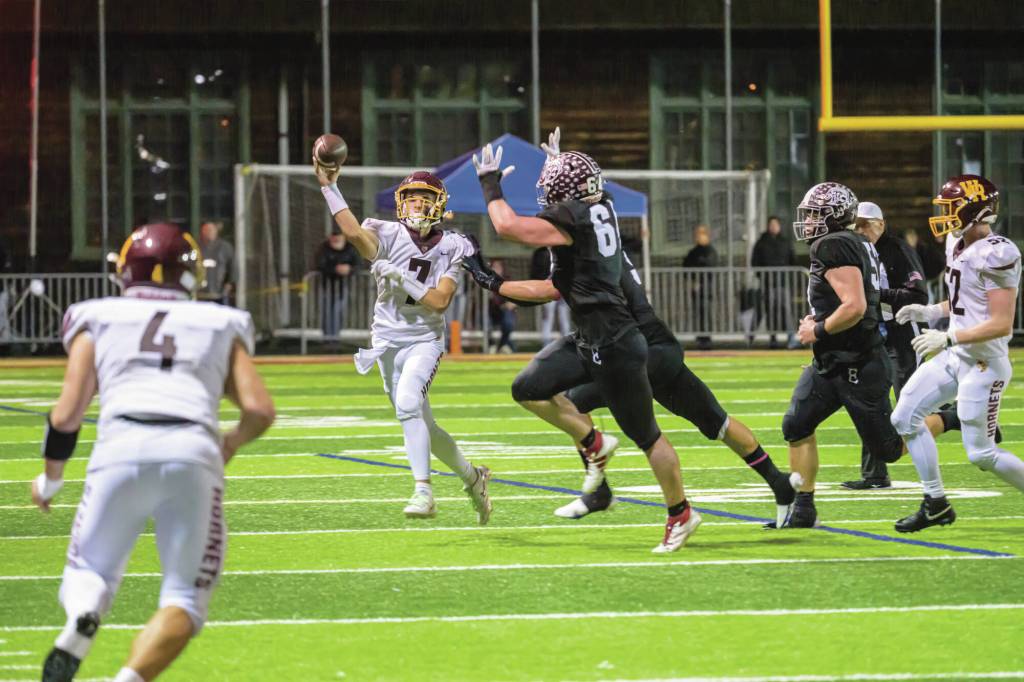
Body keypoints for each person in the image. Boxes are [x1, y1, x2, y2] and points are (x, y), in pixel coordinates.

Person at [33, 222, 275, 682]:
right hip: (191, 450)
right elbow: (260, 410)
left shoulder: (98, 315)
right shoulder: (219, 320)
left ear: (126, 269)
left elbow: (65, 416)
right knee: (184, 598)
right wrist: (230, 443)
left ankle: (84, 615)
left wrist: (51, 480)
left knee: (90, 570)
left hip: (120, 447)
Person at [463, 243, 802, 528]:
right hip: (655, 346)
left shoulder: (587, 249)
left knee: (577, 406)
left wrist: (491, 279)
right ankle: (779, 483)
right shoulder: (600, 243)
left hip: (635, 349)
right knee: (716, 422)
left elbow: (548, 288)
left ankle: (649, 505)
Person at [471, 131, 698, 553]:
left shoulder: (572, 222)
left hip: (616, 343)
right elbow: (551, 286)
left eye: (551, 186)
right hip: (587, 337)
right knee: (528, 387)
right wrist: (494, 282)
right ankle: (595, 443)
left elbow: (507, 226)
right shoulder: (602, 207)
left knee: (647, 437)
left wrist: (489, 182)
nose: (546, 194)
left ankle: (680, 513)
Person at [314, 159, 492, 523]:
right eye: (410, 199)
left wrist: (400, 278)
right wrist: (329, 188)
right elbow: (354, 235)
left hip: (424, 339)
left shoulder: (454, 246)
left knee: (409, 403)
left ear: (439, 204)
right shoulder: (387, 233)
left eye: (423, 199)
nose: (416, 205)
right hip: (386, 341)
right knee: (423, 424)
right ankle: (474, 477)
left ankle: (423, 490)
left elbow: (440, 301)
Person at [891, 174, 1024, 532]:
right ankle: (935, 504)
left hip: (984, 364)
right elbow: (966, 301)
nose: (946, 215)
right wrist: (932, 312)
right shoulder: (957, 242)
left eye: (952, 207)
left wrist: (947, 339)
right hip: (958, 355)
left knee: (981, 453)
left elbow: (1001, 323)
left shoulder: (998, 252)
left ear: (974, 210)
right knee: (904, 417)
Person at [783, 182, 904, 528]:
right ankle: (804, 509)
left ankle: (950, 418)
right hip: (832, 360)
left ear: (833, 216)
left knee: (889, 450)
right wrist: (820, 323)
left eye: (814, 214)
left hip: (858, 362)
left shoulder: (832, 243)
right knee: (796, 423)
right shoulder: (853, 242)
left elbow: (854, 306)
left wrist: (816, 330)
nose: (807, 221)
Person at [751, 216, 798, 348]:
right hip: (768, 283)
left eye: (775, 224)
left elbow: (792, 260)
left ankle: (791, 337)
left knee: (786, 310)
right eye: (771, 224)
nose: (773, 227)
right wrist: (763, 276)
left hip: (782, 282)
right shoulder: (761, 242)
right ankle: (773, 337)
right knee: (770, 310)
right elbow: (755, 262)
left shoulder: (785, 242)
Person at [315, 225, 361, 340]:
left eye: (338, 236)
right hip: (326, 286)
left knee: (337, 312)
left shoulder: (350, 248)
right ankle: (327, 338)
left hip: (343, 286)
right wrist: (335, 269)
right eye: (334, 236)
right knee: (327, 311)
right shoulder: (324, 248)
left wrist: (349, 270)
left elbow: (358, 265)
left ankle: (335, 338)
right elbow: (319, 265)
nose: (336, 238)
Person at [684, 224, 717, 350]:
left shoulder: (710, 251)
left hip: (707, 287)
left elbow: (711, 265)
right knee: (697, 311)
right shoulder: (693, 252)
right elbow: (686, 266)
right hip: (696, 287)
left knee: (706, 311)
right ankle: (700, 335)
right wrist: (693, 280)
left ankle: (706, 336)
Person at [531, 246, 571, 345]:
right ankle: (546, 344)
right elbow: (535, 271)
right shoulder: (541, 252)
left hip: (562, 288)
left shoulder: (562, 250)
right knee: (548, 318)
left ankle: (566, 345)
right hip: (548, 288)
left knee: (564, 318)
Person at [197, 221, 235, 305]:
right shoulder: (196, 247)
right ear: (202, 231)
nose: (209, 232)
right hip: (199, 294)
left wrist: (228, 284)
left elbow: (232, 267)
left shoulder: (225, 247)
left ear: (216, 231)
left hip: (219, 294)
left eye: (211, 230)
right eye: (206, 230)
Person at [487, 259, 517, 353]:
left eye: (498, 267)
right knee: (485, 321)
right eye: (493, 267)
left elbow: (516, 297)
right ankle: (492, 344)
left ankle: (503, 344)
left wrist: (512, 303)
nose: (495, 270)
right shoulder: (485, 280)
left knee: (508, 322)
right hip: (490, 311)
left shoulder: (507, 280)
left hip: (504, 310)